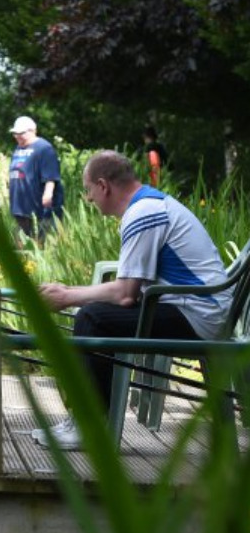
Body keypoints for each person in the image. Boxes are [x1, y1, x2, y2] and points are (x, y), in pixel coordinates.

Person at [34, 149, 232, 450]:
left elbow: (125, 295)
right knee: (95, 315)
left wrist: (66, 296)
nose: (89, 198)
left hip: (198, 314)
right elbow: (132, 289)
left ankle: (90, 427)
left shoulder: (143, 214)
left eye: (88, 190)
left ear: (104, 185)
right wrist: (73, 295)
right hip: (198, 309)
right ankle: (85, 421)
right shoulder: (149, 204)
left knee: (93, 318)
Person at [8, 115, 64, 242]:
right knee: (22, 246)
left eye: (21, 133)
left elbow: (51, 175)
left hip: (40, 208)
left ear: (33, 131)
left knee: (42, 243)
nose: (17, 136)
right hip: (21, 207)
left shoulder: (44, 148)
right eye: (15, 133)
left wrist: (48, 193)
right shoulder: (18, 148)